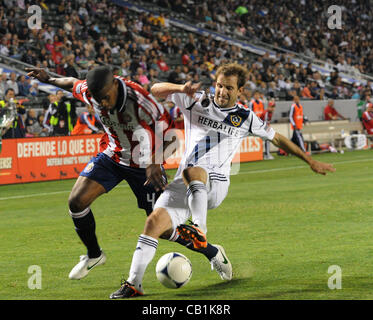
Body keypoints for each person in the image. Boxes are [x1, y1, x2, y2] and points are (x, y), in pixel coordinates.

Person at [109, 63, 335, 299]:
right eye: (219, 85)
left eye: (229, 87)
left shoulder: (245, 117)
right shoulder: (195, 100)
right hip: (184, 182)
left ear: (241, 91)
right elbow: (154, 90)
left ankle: (200, 228)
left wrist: (309, 160)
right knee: (155, 225)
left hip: (214, 183)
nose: (222, 91)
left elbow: (277, 138)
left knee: (193, 171)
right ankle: (138, 283)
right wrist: (180, 87)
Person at [25, 65, 176, 281]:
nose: (102, 103)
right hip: (112, 157)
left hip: (145, 166)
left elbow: (172, 138)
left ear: (115, 83)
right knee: (76, 202)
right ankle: (94, 255)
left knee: (164, 230)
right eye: (98, 99)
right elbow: (70, 83)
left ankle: (212, 252)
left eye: (105, 97)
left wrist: (156, 161)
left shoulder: (141, 101)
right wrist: (48, 78)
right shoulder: (91, 91)